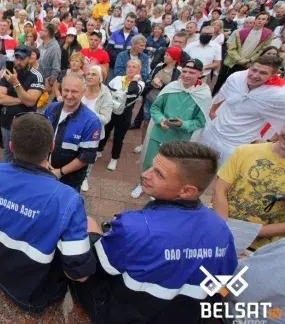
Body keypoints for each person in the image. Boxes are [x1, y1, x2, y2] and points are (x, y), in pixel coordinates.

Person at [70, 142, 238, 324]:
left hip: (121, 314)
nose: (145, 174)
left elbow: (91, 268)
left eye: (159, 174)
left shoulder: (134, 227)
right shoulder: (222, 228)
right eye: (152, 167)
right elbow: (224, 286)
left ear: (187, 191)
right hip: (186, 316)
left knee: (87, 227)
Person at [0, 113, 95, 312]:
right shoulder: (67, 199)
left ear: (12, 147)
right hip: (35, 294)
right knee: (90, 227)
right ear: (51, 147)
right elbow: (79, 273)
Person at [131, 59, 211, 199]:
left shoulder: (203, 94)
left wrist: (183, 125)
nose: (186, 75)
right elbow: (155, 108)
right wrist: (160, 119)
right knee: (150, 161)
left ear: (200, 73)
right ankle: (141, 184)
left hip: (180, 139)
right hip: (159, 133)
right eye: (184, 71)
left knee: (169, 168)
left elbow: (200, 121)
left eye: (191, 72)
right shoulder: (172, 87)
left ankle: (158, 190)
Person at [199, 55, 285, 166]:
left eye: (263, 73)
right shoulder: (236, 77)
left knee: (221, 178)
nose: (255, 75)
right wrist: (212, 112)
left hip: (235, 145)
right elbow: (222, 94)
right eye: (254, 70)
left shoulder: (278, 95)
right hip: (211, 133)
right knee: (198, 167)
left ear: (273, 75)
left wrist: (270, 141)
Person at [212, 125, 285, 250]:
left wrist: (246, 233)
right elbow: (220, 189)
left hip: (257, 247)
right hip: (217, 227)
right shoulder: (245, 151)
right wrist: (223, 226)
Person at [44, 73, 102, 191]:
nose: (69, 95)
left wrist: (59, 172)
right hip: (45, 171)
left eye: (74, 91)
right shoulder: (51, 108)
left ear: (83, 92)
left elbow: (86, 156)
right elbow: (42, 137)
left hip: (69, 180)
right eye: (66, 90)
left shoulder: (91, 121)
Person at [0, 45, 45, 163]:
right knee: (7, 153)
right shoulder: (8, 72)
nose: (18, 62)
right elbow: (0, 98)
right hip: (6, 121)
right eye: (16, 58)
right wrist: (21, 99)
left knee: (24, 156)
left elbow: (30, 101)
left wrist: (16, 83)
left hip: (26, 123)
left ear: (30, 59)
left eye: (22, 59)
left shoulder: (37, 76)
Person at [133, 47, 183, 154]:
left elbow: (176, 88)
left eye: (168, 55)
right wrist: (153, 82)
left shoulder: (178, 71)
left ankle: (157, 144)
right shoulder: (159, 66)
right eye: (165, 54)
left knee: (161, 124)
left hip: (164, 104)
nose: (165, 56)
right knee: (146, 123)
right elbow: (149, 79)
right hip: (150, 99)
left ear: (174, 58)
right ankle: (143, 144)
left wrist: (161, 85)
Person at [98, 59, 145, 171]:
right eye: (129, 66)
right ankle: (99, 150)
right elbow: (107, 90)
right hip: (111, 110)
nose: (130, 69)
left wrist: (134, 79)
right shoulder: (118, 78)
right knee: (105, 131)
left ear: (139, 70)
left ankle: (114, 158)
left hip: (125, 113)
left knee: (119, 137)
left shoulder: (140, 83)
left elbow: (132, 91)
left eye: (134, 67)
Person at [213, 12, 274, 95]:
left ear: (267, 21)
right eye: (259, 19)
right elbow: (231, 48)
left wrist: (250, 60)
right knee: (220, 82)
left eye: (263, 19)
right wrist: (239, 59)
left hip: (246, 64)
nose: (260, 21)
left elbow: (262, 50)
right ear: (256, 20)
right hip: (231, 62)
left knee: (237, 86)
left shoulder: (267, 35)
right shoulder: (242, 32)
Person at [80, 65, 113, 191]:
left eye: (93, 74)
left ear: (100, 78)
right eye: (88, 74)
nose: (89, 76)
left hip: (92, 132)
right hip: (75, 127)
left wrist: (87, 113)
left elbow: (106, 118)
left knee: (87, 157)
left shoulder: (105, 95)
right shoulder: (81, 88)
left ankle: (85, 178)